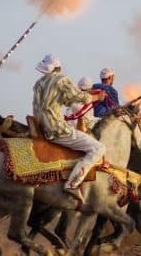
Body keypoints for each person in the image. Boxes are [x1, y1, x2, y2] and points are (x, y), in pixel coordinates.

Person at [33, 55, 106, 200]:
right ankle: (72, 184)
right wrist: (97, 97)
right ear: (58, 67)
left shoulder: (38, 83)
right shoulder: (61, 80)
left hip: (42, 128)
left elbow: (67, 100)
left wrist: (87, 94)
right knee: (99, 148)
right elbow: (82, 98)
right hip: (57, 130)